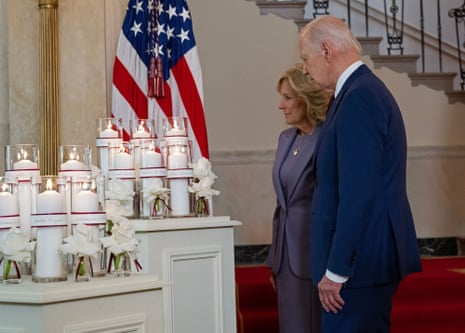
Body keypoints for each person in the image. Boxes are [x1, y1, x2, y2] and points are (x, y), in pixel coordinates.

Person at [298, 15, 422, 332]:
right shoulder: (355, 92)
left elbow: (359, 194)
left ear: (326, 50)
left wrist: (338, 270)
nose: (304, 68)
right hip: (363, 261)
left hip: (358, 266)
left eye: (305, 58)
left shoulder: (360, 97)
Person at [266, 64, 331, 333]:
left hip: (314, 252)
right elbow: (282, 205)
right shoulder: (286, 139)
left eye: (288, 97)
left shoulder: (326, 139)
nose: (281, 105)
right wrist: (274, 257)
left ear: (306, 99)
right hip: (285, 256)